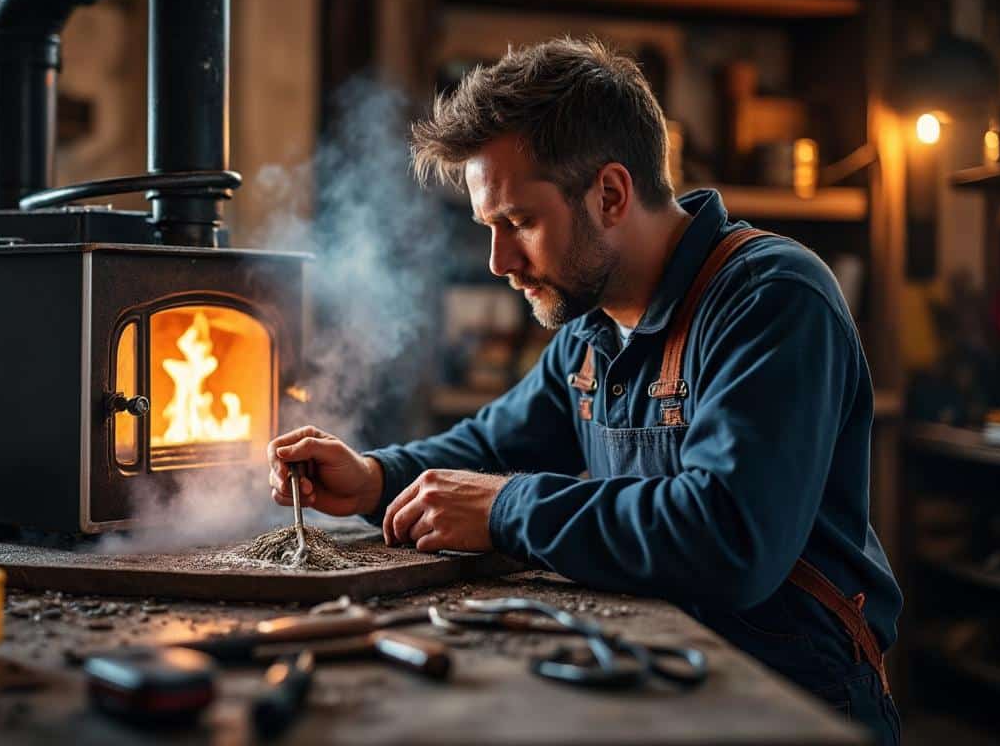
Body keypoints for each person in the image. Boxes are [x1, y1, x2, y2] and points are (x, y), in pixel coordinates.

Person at [266, 37, 901, 743]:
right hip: (659, 675)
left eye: (519, 223)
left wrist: (510, 507)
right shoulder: (591, 328)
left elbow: (730, 539)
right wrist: (375, 477)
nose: (499, 261)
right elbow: (490, 443)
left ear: (609, 194)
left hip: (795, 703)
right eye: (490, 228)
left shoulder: (771, 297)